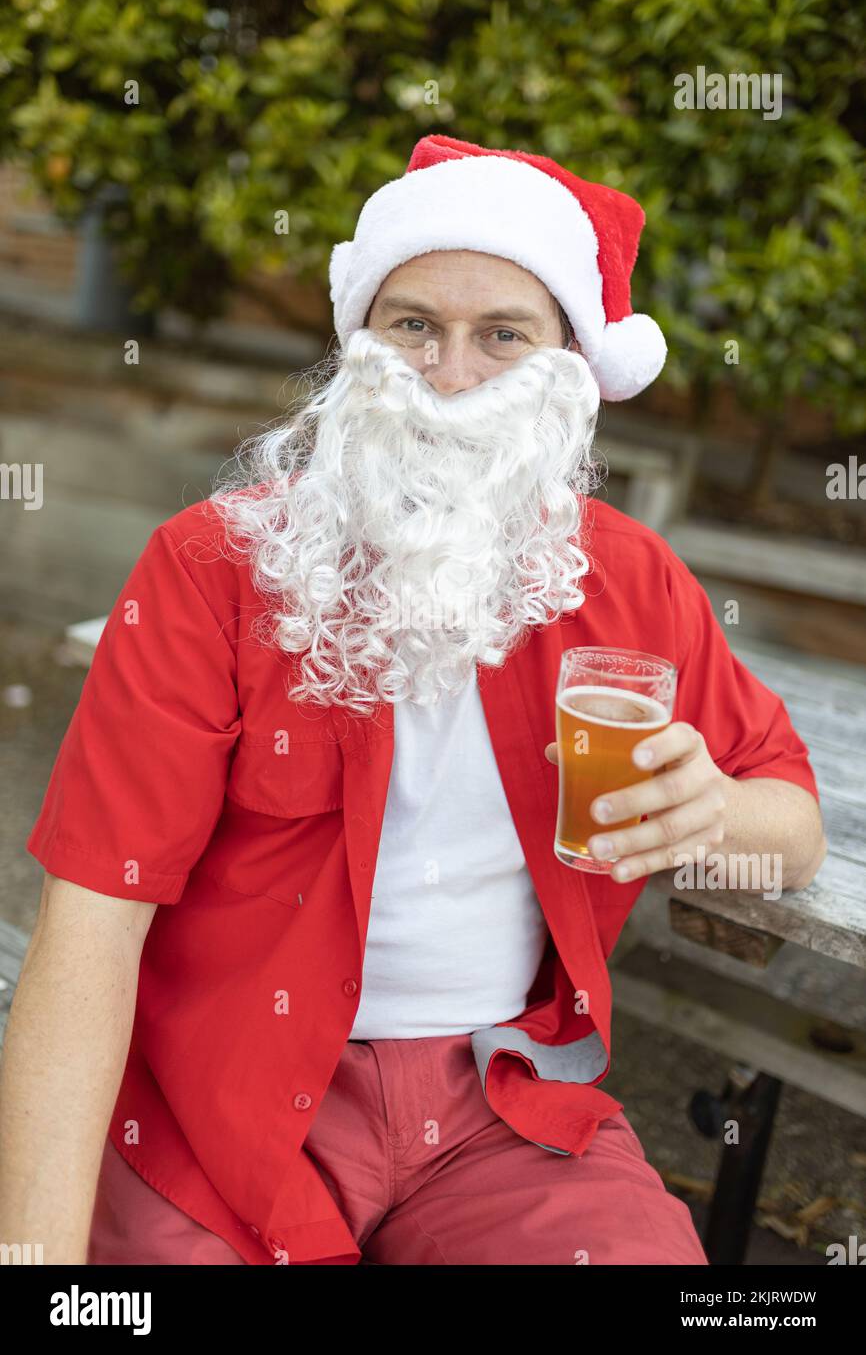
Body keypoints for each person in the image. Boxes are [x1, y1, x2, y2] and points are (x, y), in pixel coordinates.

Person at [0, 134, 826, 1266]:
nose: (448, 372)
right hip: (218, 1100)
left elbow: (789, 820)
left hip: (505, 1104)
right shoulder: (211, 569)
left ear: (569, 372)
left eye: (502, 334)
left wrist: (712, 817)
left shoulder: (628, 578)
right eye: (412, 325)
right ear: (358, 346)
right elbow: (89, 932)